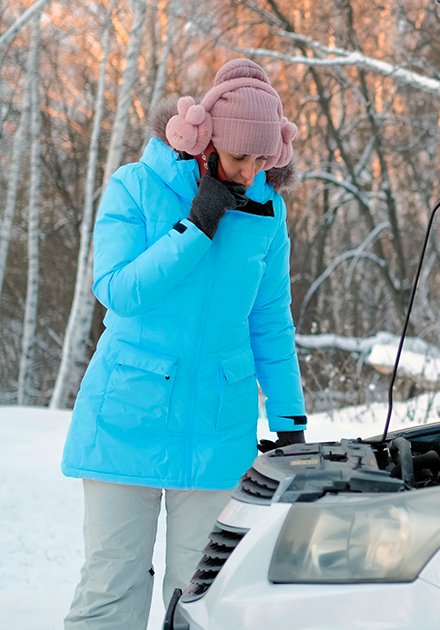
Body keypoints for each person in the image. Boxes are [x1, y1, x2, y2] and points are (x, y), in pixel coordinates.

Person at [61, 58, 307, 629]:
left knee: (201, 597)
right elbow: (119, 291)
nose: (250, 173)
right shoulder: (135, 187)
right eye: (240, 157)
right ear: (205, 141)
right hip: (127, 417)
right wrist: (195, 227)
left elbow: (270, 320)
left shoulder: (268, 210)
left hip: (218, 426)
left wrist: (289, 415)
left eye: (262, 160)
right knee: (111, 587)